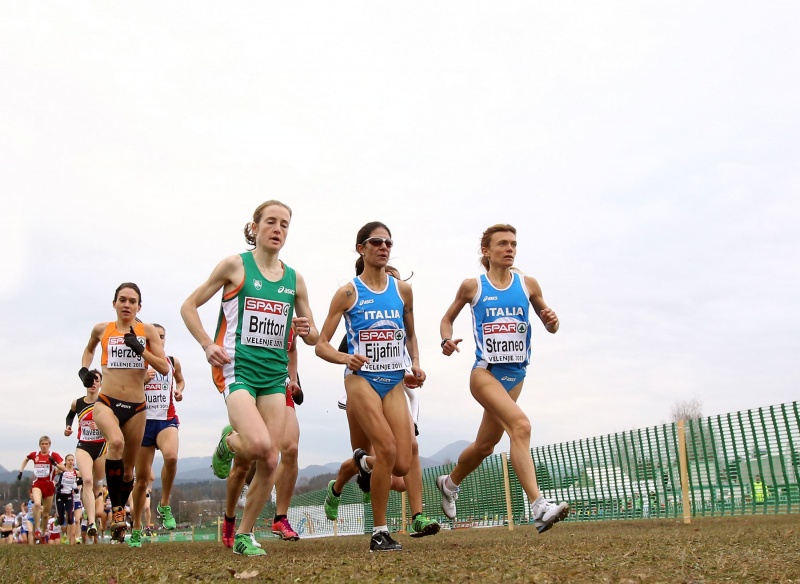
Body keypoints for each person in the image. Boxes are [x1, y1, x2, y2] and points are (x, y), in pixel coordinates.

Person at [181, 200, 318, 556]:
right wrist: (207, 344)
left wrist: (307, 329)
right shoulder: (235, 266)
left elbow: (314, 336)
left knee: (271, 459)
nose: (278, 229)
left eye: (284, 224)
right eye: (271, 222)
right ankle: (229, 442)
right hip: (238, 369)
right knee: (257, 446)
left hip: (274, 376)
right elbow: (188, 306)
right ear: (254, 228)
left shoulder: (295, 280)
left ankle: (244, 534)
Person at [436, 223, 570, 534]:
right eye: (502, 244)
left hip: (516, 375)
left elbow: (551, 325)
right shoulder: (473, 286)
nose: (510, 248)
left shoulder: (528, 284)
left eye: (513, 244)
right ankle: (539, 506)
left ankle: (450, 483)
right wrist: (446, 340)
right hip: (485, 373)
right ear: (486, 251)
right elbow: (447, 319)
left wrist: (553, 321)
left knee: (485, 445)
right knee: (520, 426)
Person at [315, 222, 425, 552]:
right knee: (387, 449)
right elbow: (321, 345)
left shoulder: (403, 291)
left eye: (388, 242)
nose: (384, 247)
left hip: (393, 381)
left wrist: (416, 362)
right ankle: (379, 532)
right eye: (377, 242)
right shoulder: (348, 293)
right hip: (361, 380)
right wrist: (344, 358)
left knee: (401, 465)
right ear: (361, 248)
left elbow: (411, 334)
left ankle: (362, 463)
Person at [324, 266, 439, 539]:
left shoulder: (399, 311)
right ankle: (338, 486)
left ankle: (417, 515)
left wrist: (413, 370)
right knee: (369, 454)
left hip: (393, 389)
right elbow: (334, 350)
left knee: (403, 460)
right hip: (360, 394)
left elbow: (403, 349)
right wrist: (348, 360)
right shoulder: (357, 312)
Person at [79, 282, 170, 546]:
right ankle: (118, 510)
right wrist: (83, 370)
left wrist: (141, 350)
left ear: (139, 307)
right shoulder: (102, 329)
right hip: (107, 402)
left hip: (137, 407)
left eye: (132, 301)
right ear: (114, 303)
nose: (127, 304)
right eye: (122, 299)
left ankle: (120, 515)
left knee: (129, 472)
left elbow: (164, 367)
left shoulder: (147, 331)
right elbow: (89, 349)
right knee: (115, 443)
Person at [132, 323, 185, 538]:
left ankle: (164, 504)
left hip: (166, 419)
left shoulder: (172, 362)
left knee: (171, 458)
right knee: (142, 480)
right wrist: (141, 381)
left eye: (162, 336)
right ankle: (136, 526)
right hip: (143, 423)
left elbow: (180, 380)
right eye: (154, 337)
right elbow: (124, 389)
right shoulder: (137, 361)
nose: (158, 340)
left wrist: (179, 391)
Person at [64, 368, 107, 538]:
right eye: (91, 380)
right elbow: (70, 416)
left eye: (97, 380)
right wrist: (68, 427)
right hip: (84, 446)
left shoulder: (105, 402)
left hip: (102, 447)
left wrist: (101, 425)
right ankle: (91, 523)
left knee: (97, 486)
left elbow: (116, 422)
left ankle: (94, 512)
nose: (93, 384)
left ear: (101, 384)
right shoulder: (77, 403)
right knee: (87, 480)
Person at [18, 436, 66, 539]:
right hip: (37, 484)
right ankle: (37, 530)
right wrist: (21, 471)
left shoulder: (53, 455)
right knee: (37, 504)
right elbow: (26, 459)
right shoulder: (35, 454)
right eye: (42, 444)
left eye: (46, 444)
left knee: (45, 514)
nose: (44, 446)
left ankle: (43, 532)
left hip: (49, 485)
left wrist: (55, 463)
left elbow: (63, 468)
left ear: (49, 445)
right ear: (39, 445)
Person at [54, 454, 80, 545]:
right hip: (60, 495)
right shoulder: (61, 470)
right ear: (66, 461)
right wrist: (56, 484)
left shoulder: (76, 472)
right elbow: (53, 477)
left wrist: (76, 488)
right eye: (69, 460)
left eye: (72, 460)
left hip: (69, 496)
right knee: (61, 520)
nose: (70, 462)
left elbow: (81, 479)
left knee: (70, 517)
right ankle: (59, 518)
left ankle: (69, 539)